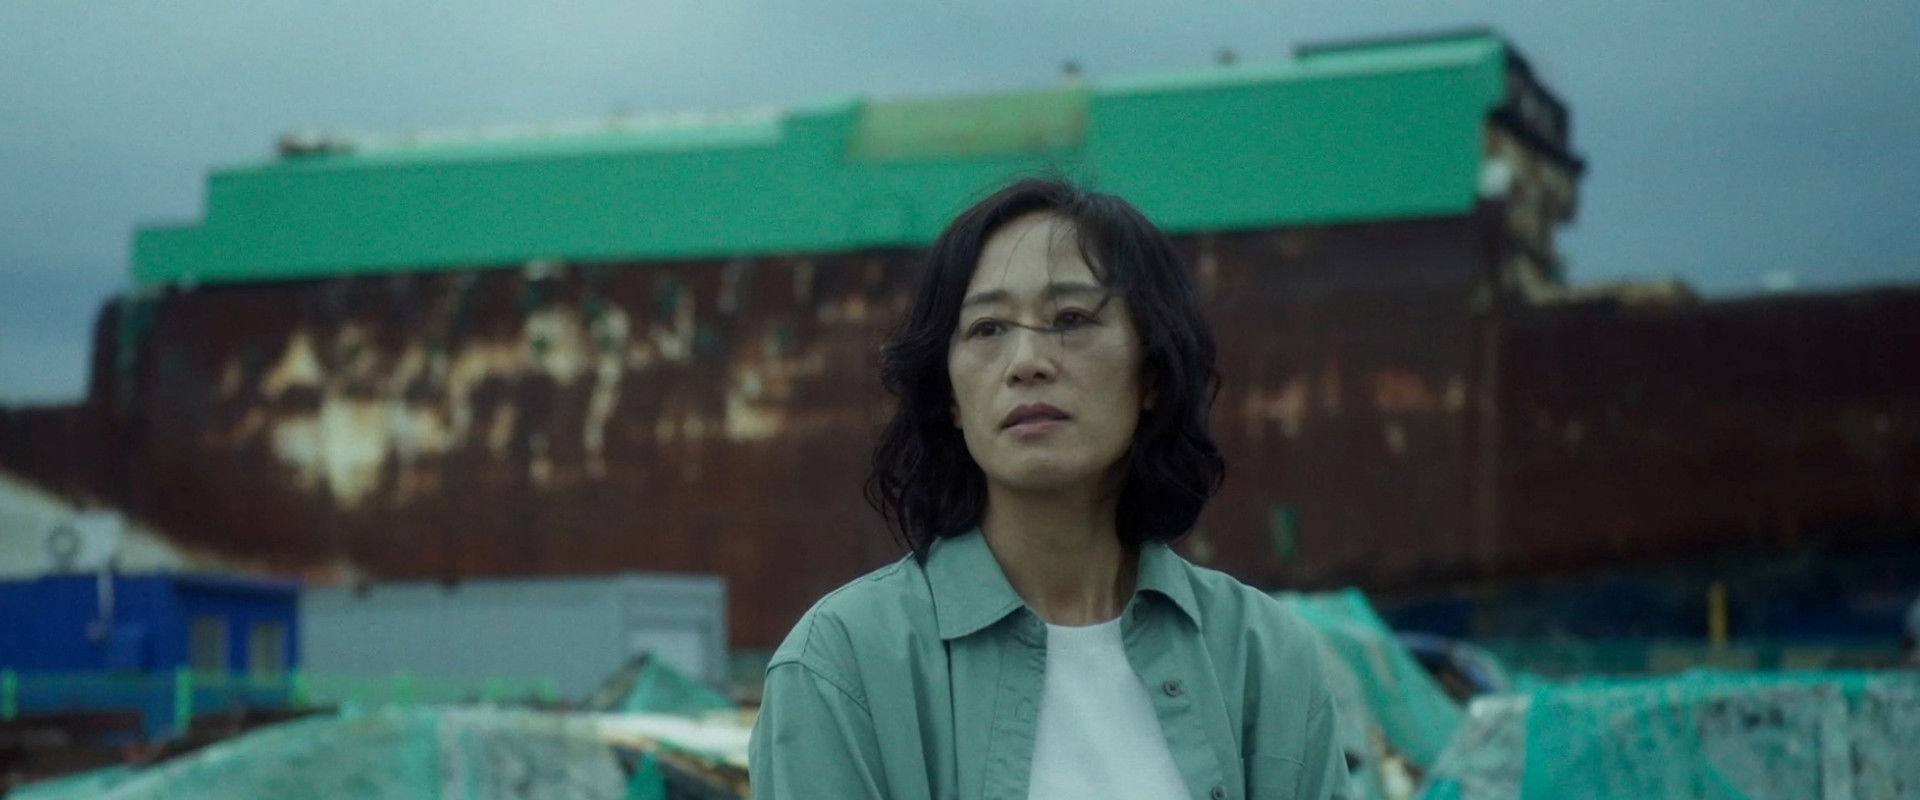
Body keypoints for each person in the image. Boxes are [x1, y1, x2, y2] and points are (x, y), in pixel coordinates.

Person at [748, 178, 1350, 799]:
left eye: (1071, 319)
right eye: (987, 328)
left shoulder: (1264, 657)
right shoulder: (841, 665)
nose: (1027, 362)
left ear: (1151, 373)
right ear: (951, 397)